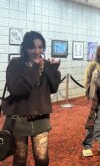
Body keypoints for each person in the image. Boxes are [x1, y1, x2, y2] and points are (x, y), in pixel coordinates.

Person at [2, 31, 61, 166]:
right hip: (20, 117)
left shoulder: (45, 64)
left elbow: (54, 88)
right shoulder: (16, 64)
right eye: (32, 47)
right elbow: (17, 89)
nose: (37, 51)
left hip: (41, 116)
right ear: (25, 48)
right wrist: (34, 68)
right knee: (20, 158)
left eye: (40, 47)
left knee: (41, 158)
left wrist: (53, 69)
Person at [82, 44, 100, 157]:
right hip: (96, 97)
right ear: (98, 51)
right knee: (91, 121)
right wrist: (88, 93)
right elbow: (87, 80)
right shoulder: (93, 64)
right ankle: (87, 145)